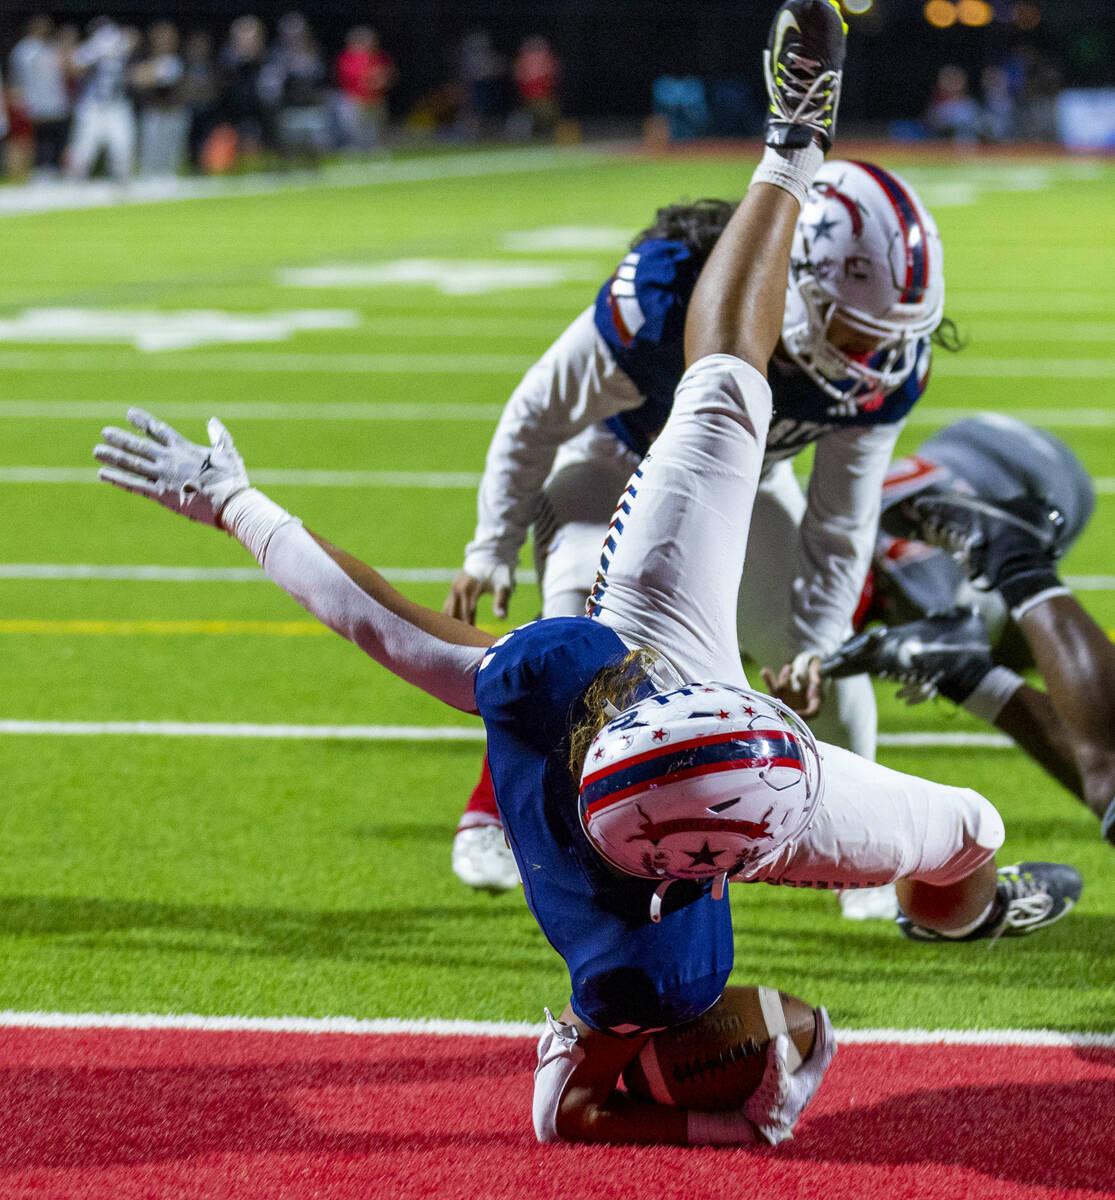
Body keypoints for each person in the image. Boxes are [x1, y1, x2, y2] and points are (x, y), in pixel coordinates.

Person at [94, 1, 1081, 1145]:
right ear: (722, 866)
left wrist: (230, 501)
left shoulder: (553, 681)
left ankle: (791, 134)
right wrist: (725, 1098)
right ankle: (943, 920)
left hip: (662, 645)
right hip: (760, 769)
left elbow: (372, 621)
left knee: (718, 389)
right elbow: (571, 1114)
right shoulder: (675, 934)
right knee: (963, 837)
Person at [444, 158, 956, 894]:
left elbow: (841, 518)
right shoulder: (668, 297)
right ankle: (506, 819)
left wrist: (813, 640)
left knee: (829, 675)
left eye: (891, 335)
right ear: (796, 283)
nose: (875, 358)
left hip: (736, 487)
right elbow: (536, 411)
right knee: (579, 650)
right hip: (611, 466)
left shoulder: (885, 366)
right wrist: (490, 546)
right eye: (856, 329)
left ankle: (866, 863)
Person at [822, 414, 1115, 846]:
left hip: (1033, 475)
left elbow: (957, 626)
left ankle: (1016, 559)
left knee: (1106, 767)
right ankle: (974, 661)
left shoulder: (913, 582)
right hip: (988, 450)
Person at [65, 16, 138, 182]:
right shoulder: (90, 50)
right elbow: (74, 67)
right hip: (92, 107)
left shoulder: (121, 43)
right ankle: (74, 184)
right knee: (83, 150)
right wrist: (95, 51)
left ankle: (122, 186)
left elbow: (134, 37)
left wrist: (116, 45)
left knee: (123, 149)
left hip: (118, 107)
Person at [8, 15, 72, 177]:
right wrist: (20, 101)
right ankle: (38, 171)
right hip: (35, 104)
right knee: (38, 140)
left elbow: (66, 70)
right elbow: (16, 79)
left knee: (58, 140)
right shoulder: (23, 51)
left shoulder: (53, 47)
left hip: (56, 103)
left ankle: (57, 170)